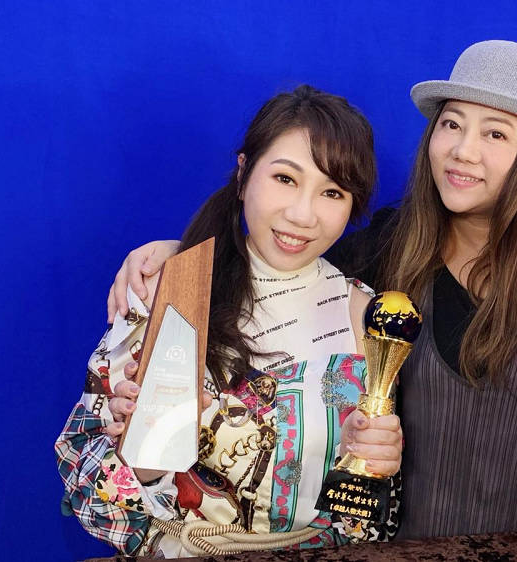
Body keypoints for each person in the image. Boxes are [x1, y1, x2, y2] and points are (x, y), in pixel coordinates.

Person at [107, 41, 517, 540]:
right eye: (451, 124)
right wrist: (181, 253)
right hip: (412, 546)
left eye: (495, 134)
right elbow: (286, 257)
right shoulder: (390, 247)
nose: (463, 151)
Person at [56, 85, 404, 557]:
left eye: (331, 192)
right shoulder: (169, 288)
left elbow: (372, 522)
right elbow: (87, 495)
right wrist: (141, 459)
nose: (302, 214)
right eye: (285, 178)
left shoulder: (369, 318)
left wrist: (376, 468)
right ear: (244, 174)